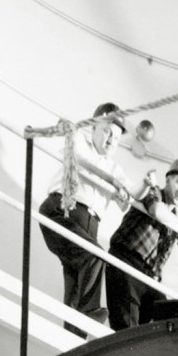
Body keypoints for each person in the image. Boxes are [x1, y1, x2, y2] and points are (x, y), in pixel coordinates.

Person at [38, 102, 128, 330]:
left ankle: (72, 339)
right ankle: (90, 317)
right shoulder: (79, 140)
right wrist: (110, 181)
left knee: (77, 282)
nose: (110, 140)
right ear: (94, 129)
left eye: (116, 138)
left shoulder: (115, 169)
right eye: (107, 132)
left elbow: (126, 201)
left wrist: (141, 188)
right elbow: (75, 158)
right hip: (63, 209)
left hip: (90, 223)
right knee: (95, 257)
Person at [106, 156, 178, 330]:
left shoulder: (174, 221)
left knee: (167, 319)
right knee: (126, 329)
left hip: (149, 276)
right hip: (126, 261)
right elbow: (156, 210)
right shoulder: (152, 190)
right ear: (168, 179)